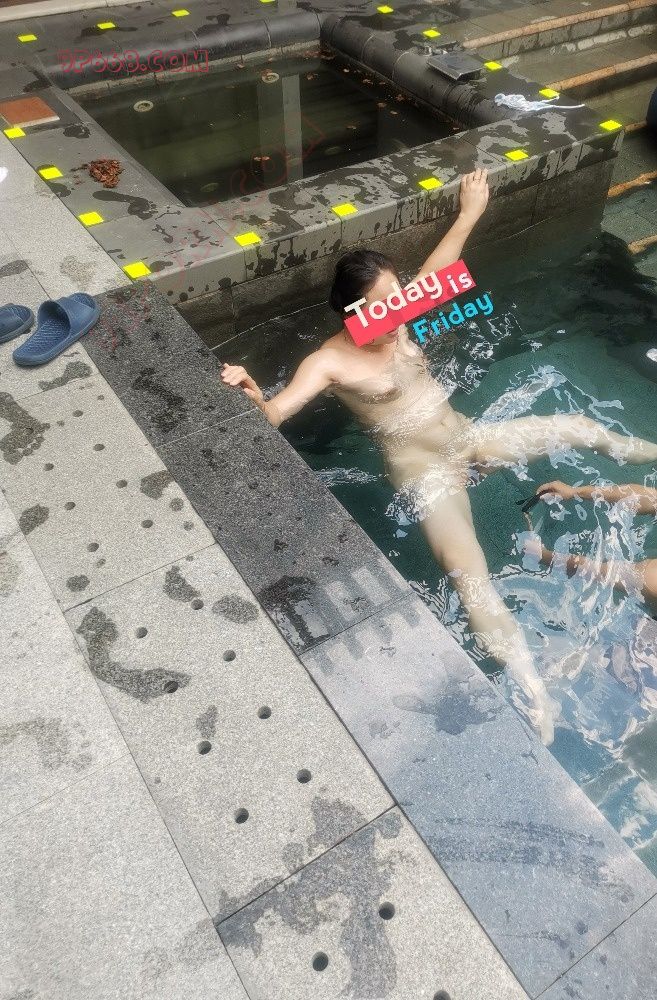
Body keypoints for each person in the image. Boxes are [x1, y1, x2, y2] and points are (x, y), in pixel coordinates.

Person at [221, 170, 657, 744]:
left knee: (578, 427)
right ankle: (532, 686)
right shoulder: (329, 363)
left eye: (398, 301)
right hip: (423, 473)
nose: (397, 314)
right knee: (468, 573)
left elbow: (440, 271)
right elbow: (279, 413)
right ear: (353, 313)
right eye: (381, 308)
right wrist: (255, 395)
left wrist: (470, 210)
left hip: (468, 439)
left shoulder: (397, 320)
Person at [524, 480, 657, 612]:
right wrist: (574, 492)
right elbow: (651, 499)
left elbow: (595, 571)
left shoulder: (652, 578)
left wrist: (543, 556)